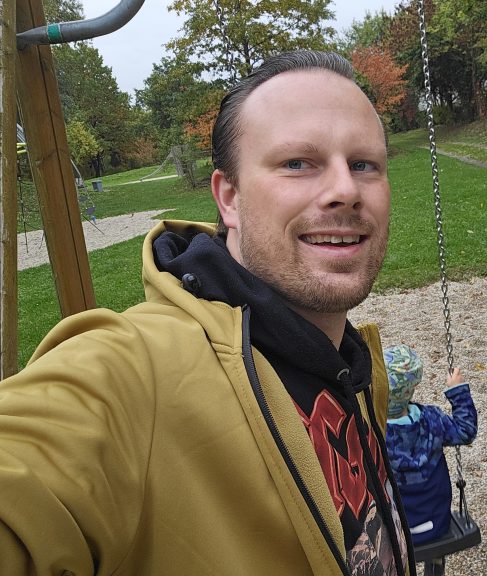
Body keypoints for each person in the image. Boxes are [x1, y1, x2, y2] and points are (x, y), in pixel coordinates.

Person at [0, 50, 416, 576]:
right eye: (297, 163)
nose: (345, 191)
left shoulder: (351, 362)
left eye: (364, 164)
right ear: (229, 198)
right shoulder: (134, 373)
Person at [383, 344, 478, 576]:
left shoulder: (373, 431)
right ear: (414, 385)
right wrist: (458, 391)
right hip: (436, 523)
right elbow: (466, 430)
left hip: (393, 532)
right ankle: (435, 565)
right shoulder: (433, 420)